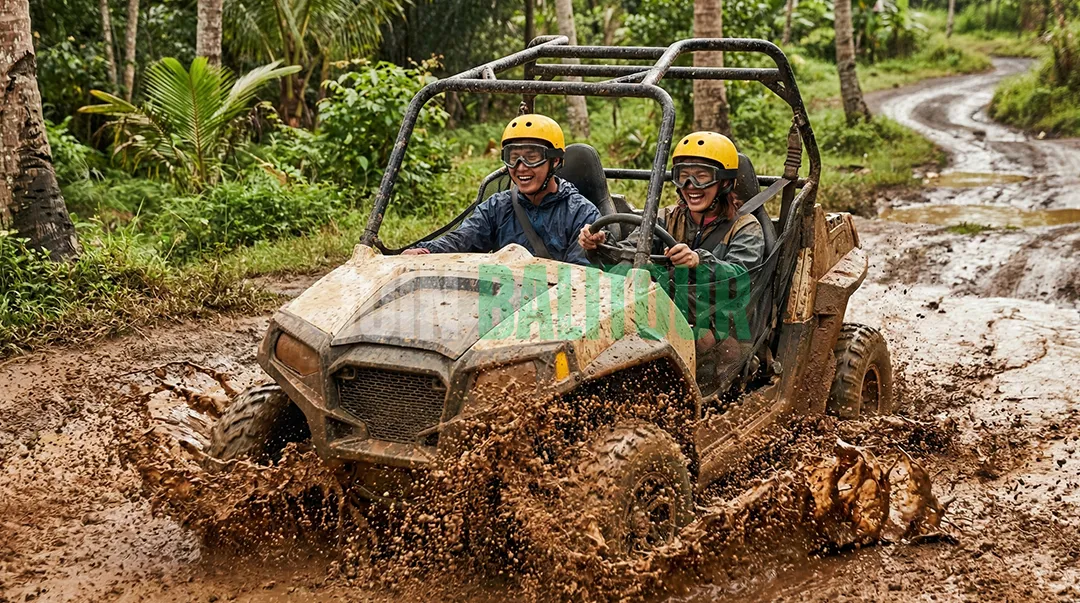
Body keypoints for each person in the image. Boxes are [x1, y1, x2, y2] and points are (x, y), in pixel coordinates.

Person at [578, 131, 766, 369]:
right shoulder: (666, 217)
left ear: (725, 182)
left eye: (701, 177)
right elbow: (629, 254)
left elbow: (740, 279)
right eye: (683, 177)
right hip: (665, 309)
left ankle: (712, 402)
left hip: (719, 318)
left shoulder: (745, 226)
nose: (691, 186)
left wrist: (699, 261)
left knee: (700, 338)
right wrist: (598, 246)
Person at [401, 114, 600, 266]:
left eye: (532, 157)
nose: (521, 167)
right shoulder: (498, 206)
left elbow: (579, 277)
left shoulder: (582, 214)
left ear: (555, 160)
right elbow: (462, 239)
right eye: (513, 158)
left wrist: (591, 243)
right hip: (502, 303)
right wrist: (425, 251)